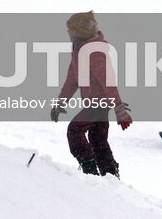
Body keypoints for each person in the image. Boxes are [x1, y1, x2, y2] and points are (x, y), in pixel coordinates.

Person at [50, 11, 132, 178]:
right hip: (94, 103)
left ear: (79, 30)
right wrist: (60, 104)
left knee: (74, 131)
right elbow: (71, 81)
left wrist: (119, 108)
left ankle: (90, 172)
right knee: (97, 139)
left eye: (70, 29)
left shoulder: (94, 52)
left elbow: (107, 81)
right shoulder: (79, 51)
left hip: (99, 103)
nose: (68, 32)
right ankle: (110, 174)